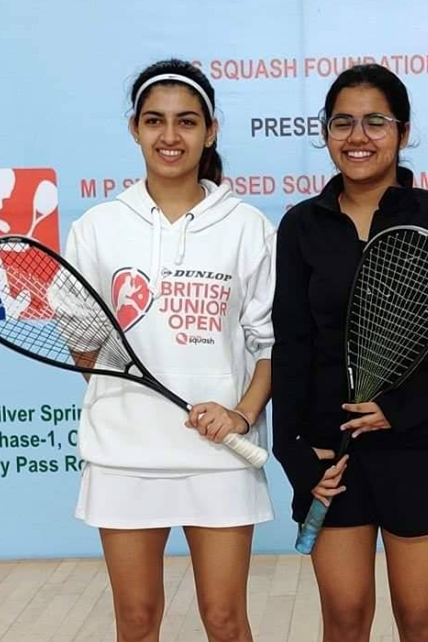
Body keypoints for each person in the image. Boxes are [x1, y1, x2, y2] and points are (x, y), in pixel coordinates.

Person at [272, 64, 428, 642]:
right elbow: (291, 343)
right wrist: (293, 452)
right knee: (344, 619)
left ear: (402, 131)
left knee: (420, 622)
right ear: (326, 132)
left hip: (418, 448)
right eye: (342, 122)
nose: (358, 137)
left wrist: (400, 410)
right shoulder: (301, 226)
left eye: (375, 121)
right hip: (330, 454)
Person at [64, 58, 276, 642]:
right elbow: (84, 344)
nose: (170, 136)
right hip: (123, 455)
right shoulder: (97, 227)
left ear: (211, 131)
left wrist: (241, 415)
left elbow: (269, 343)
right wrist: (128, 403)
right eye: (154, 120)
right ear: (135, 129)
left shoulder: (248, 227)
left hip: (220, 453)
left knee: (225, 620)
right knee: (136, 621)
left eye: (187, 121)